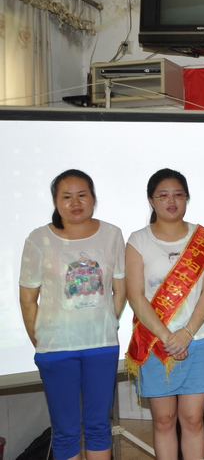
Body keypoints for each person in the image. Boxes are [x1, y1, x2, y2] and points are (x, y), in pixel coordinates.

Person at [18, 169, 126, 460]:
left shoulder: (112, 234)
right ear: (56, 201)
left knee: (98, 425)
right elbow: (28, 299)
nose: (75, 202)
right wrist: (40, 339)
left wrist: (106, 322)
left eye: (82, 195)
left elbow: (120, 289)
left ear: (93, 198)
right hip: (56, 347)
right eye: (67, 196)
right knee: (65, 429)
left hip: (101, 345)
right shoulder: (39, 239)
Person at [125, 168, 204, 460]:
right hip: (157, 343)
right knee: (164, 421)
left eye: (178, 194)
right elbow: (135, 295)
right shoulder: (138, 240)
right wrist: (168, 337)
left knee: (193, 420)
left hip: (197, 340)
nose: (171, 201)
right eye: (163, 195)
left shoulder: (203, 239)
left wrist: (187, 333)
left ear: (186, 198)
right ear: (151, 200)